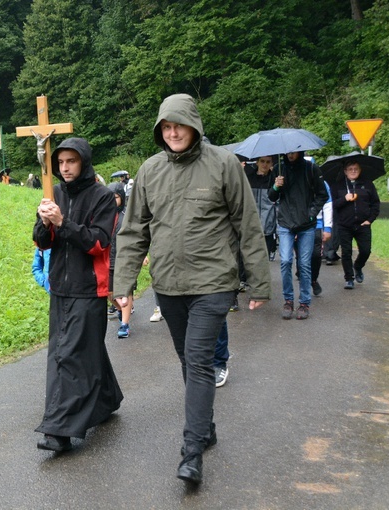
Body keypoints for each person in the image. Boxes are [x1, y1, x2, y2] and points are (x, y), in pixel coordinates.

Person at [114, 94, 270, 484]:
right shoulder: (150, 170)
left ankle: (192, 450)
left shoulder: (222, 164)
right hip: (167, 284)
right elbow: (133, 231)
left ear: (194, 125)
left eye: (178, 125)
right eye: (166, 127)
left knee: (199, 360)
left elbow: (247, 223)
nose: (172, 132)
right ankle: (207, 428)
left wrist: (259, 281)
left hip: (214, 282)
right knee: (188, 359)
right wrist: (125, 284)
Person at [33, 137, 124, 453]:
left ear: (83, 162)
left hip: (89, 289)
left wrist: (63, 222)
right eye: (60, 162)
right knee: (81, 350)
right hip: (60, 287)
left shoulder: (103, 197)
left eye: (71, 161)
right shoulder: (54, 193)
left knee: (71, 356)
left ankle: (60, 431)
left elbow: (98, 242)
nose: (65, 167)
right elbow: (42, 243)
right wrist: (45, 224)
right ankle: (107, 399)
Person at [268, 152, 328, 320]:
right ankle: (288, 300)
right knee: (286, 261)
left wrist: (312, 213)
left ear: (300, 151)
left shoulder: (311, 169)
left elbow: (323, 194)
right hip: (286, 222)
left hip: (306, 224)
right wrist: (276, 186)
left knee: (304, 264)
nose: (290, 154)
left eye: (294, 151)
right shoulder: (279, 169)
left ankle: (304, 303)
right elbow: (271, 196)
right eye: (288, 151)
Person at [331, 160, 380, 289]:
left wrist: (370, 220)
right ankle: (349, 278)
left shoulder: (368, 184)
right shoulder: (338, 186)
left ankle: (357, 266)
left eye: (356, 169)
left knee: (365, 251)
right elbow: (332, 205)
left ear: (360, 170)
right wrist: (344, 199)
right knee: (346, 253)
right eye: (350, 169)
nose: (353, 171)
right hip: (344, 225)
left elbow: (375, 204)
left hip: (363, 225)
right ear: (345, 171)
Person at [108, 182, 132, 338]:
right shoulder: (103, 216)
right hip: (107, 261)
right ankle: (119, 309)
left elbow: (134, 238)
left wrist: (141, 256)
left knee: (125, 292)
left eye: (115, 197)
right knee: (109, 293)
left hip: (124, 260)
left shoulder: (127, 216)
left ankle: (125, 324)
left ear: (121, 197)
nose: (112, 201)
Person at [245, 156, 278, 260]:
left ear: (271, 164)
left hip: (267, 226)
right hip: (251, 225)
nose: (265, 164)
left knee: (264, 260)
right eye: (262, 161)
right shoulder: (248, 178)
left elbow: (277, 203)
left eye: (268, 162)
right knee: (248, 259)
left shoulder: (275, 179)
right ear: (257, 163)